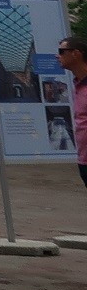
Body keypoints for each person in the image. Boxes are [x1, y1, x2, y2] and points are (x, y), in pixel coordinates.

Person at [59, 35, 87, 188]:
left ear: (76, 53)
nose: (58, 56)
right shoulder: (77, 84)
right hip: (83, 159)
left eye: (62, 51)